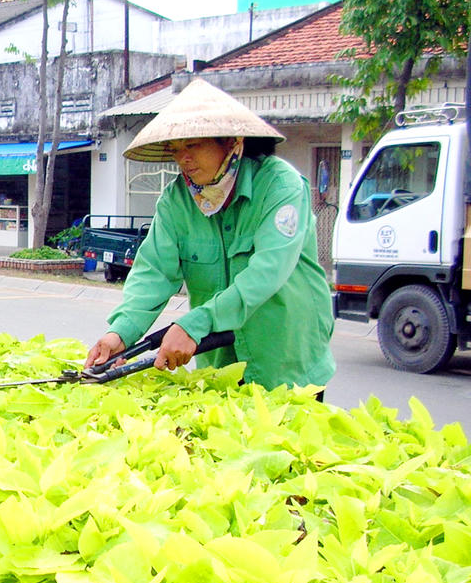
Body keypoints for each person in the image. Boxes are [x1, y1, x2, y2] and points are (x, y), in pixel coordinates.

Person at [84, 78, 335, 393]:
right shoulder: (177, 200)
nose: (183, 159)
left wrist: (196, 323)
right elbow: (154, 272)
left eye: (192, 145)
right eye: (176, 149)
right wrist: (120, 333)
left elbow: (267, 272)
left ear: (230, 142)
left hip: (286, 363)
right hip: (220, 368)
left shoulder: (280, 186)